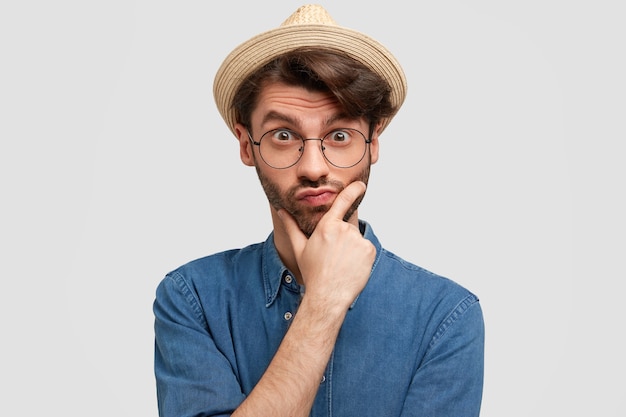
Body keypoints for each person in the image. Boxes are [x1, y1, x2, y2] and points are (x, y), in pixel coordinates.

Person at [153, 4, 484, 417]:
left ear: (373, 141)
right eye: (284, 135)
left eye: (340, 135)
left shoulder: (446, 316)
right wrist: (322, 303)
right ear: (246, 144)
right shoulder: (192, 299)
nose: (313, 167)